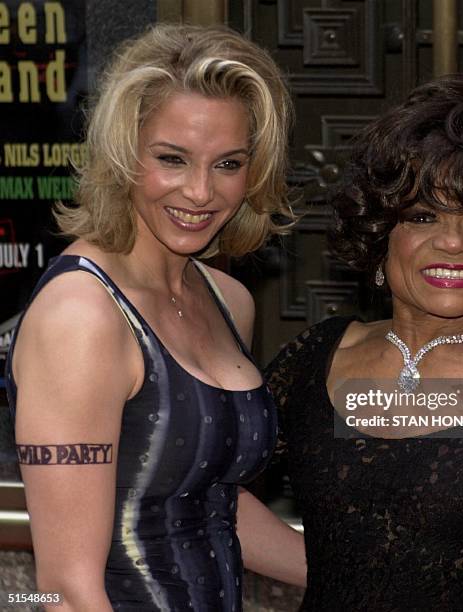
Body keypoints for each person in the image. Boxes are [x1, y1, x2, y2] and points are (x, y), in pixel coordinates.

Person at [6, 24, 306, 611]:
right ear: (124, 154)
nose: (200, 192)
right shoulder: (82, 316)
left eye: (228, 163)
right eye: (172, 159)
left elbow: (200, 496)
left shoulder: (226, 299)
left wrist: (368, 573)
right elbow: (66, 589)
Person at [266, 75, 463, 611]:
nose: (454, 242)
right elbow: (203, 487)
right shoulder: (318, 359)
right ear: (380, 233)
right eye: (421, 216)